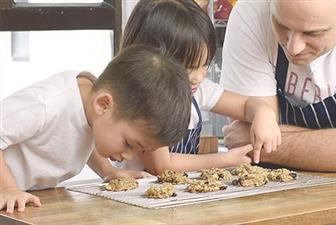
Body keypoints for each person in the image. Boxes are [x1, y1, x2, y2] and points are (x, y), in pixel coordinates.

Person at [88, 0, 281, 177]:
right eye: (188, 68)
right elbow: (161, 166)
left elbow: (246, 104)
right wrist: (226, 160)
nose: (198, 77)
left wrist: (262, 112)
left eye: (204, 65)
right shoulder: (147, 104)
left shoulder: (197, 88)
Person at [0, 44, 192, 213]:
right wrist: (7, 188)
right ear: (103, 104)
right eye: (129, 144)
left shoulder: (94, 110)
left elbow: (85, 132)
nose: (128, 156)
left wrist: (107, 170)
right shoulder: (49, 103)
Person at [220, 0, 336, 174]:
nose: (293, 48)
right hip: (280, 188)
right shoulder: (251, 12)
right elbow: (247, 144)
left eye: (313, 33)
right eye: (282, 25)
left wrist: (272, 145)